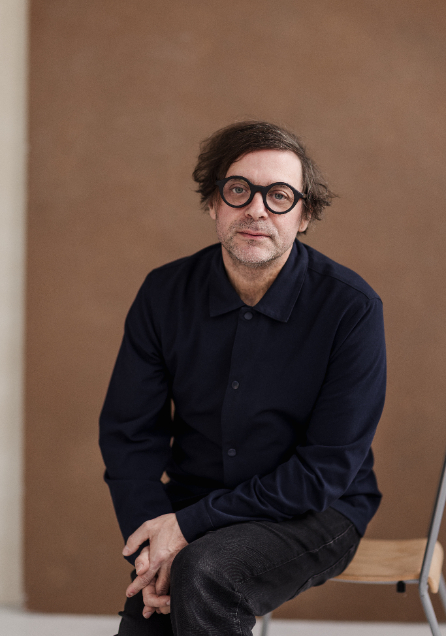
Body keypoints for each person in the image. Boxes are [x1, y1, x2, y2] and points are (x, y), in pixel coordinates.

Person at [99, 121, 386, 636]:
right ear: (214, 203)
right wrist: (151, 546)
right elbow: (129, 436)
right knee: (153, 612)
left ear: (304, 216)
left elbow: (324, 471)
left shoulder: (351, 308)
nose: (257, 209)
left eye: (279, 195)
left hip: (317, 511)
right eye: (239, 190)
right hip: (189, 505)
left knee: (204, 571)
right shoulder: (163, 293)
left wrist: (187, 527)